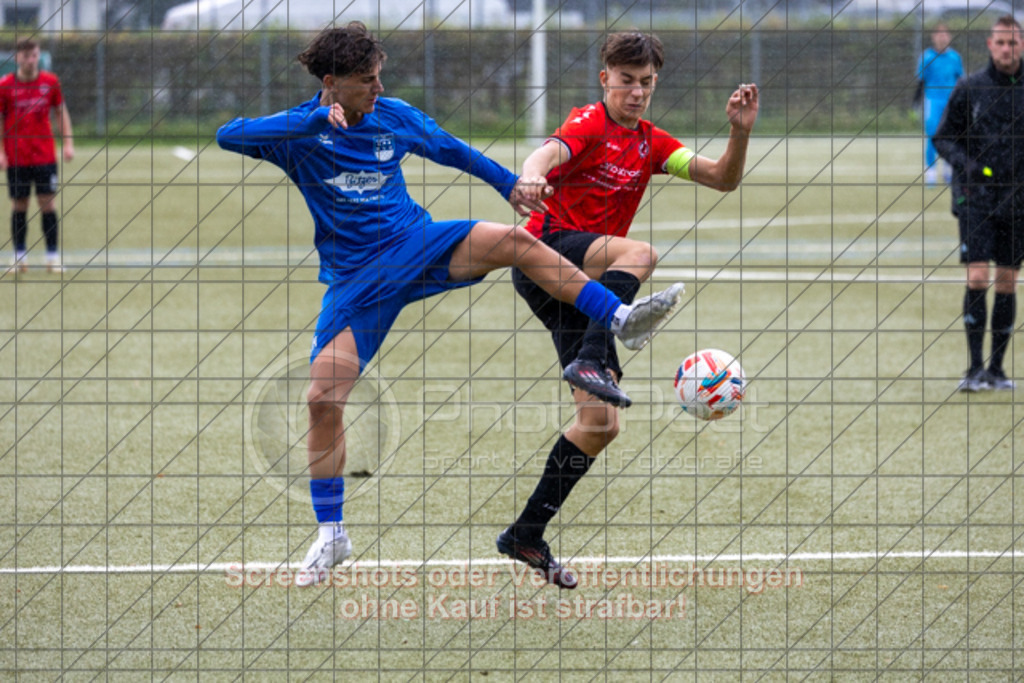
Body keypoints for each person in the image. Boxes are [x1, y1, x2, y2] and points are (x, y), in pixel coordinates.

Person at [216, 22, 685, 587]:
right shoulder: (298, 131)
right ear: (332, 82)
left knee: (515, 241)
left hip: (417, 244)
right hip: (355, 280)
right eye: (367, 80)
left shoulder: (395, 116)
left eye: (380, 76)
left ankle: (618, 316)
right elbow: (229, 134)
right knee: (322, 397)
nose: (378, 87)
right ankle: (332, 532)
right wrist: (310, 119)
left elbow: (454, 151)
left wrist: (511, 184)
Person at [497, 31, 759, 588]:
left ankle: (525, 533)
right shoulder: (590, 122)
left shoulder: (652, 143)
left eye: (646, 83)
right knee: (640, 252)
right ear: (605, 79)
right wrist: (532, 172)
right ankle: (598, 345)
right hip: (545, 253)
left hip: (583, 278)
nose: (636, 92)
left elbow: (723, 179)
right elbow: (550, 151)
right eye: (626, 82)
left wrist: (739, 135)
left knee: (599, 423)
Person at [934, 14, 1022, 394]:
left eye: (1013, 42)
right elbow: (943, 138)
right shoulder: (970, 88)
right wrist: (967, 166)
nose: (1007, 49)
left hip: (1017, 203)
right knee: (976, 277)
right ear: (990, 45)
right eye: (1000, 42)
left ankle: (998, 371)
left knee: (1006, 282)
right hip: (976, 199)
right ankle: (973, 370)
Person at [0, 38, 74, 274]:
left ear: (38, 56)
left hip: (44, 156)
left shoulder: (50, 82)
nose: (30, 60)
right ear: (17, 58)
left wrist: (68, 143)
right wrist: (0, 152)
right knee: (19, 205)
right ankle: (19, 257)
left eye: (34, 56)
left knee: (48, 204)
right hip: (17, 157)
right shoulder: (5, 86)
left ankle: (52, 258)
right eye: (25, 56)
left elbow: (61, 112)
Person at [915, 23, 963, 186]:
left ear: (949, 37)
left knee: (951, 136)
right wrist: (915, 102)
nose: (942, 38)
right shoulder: (927, 57)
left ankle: (948, 171)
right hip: (933, 102)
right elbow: (921, 82)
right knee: (933, 136)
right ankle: (931, 173)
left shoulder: (955, 57)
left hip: (951, 103)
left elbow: (960, 81)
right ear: (933, 37)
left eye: (945, 34)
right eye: (939, 34)